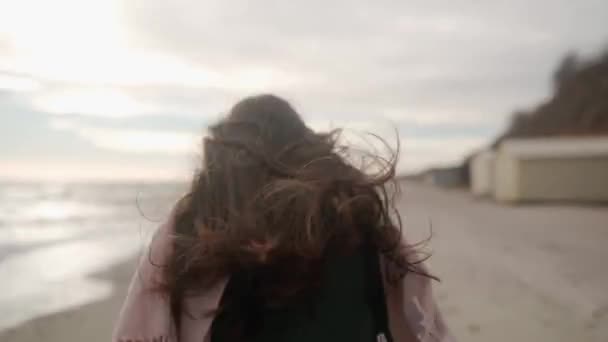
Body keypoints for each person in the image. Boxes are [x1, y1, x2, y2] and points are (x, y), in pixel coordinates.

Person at [113, 94, 454, 342]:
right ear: (306, 145)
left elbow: (138, 330)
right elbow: (422, 320)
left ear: (225, 152)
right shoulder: (356, 221)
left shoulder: (190, 229)